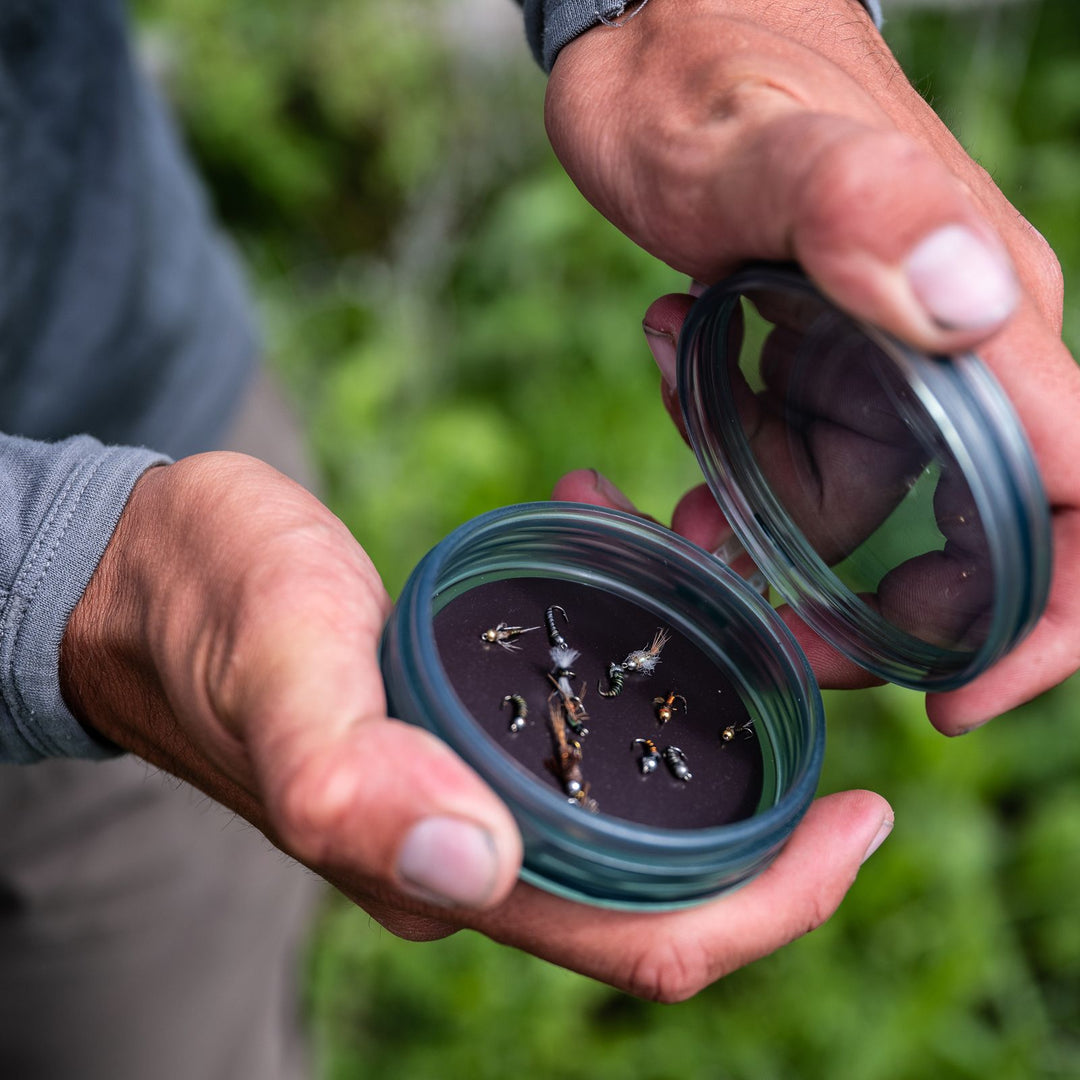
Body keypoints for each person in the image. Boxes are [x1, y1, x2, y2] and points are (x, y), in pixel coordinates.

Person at [1, 0, 1076, 1075]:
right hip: (128, 525)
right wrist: (68, 572)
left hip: (116, 360)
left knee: (155, 1012)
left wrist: (679, 14)